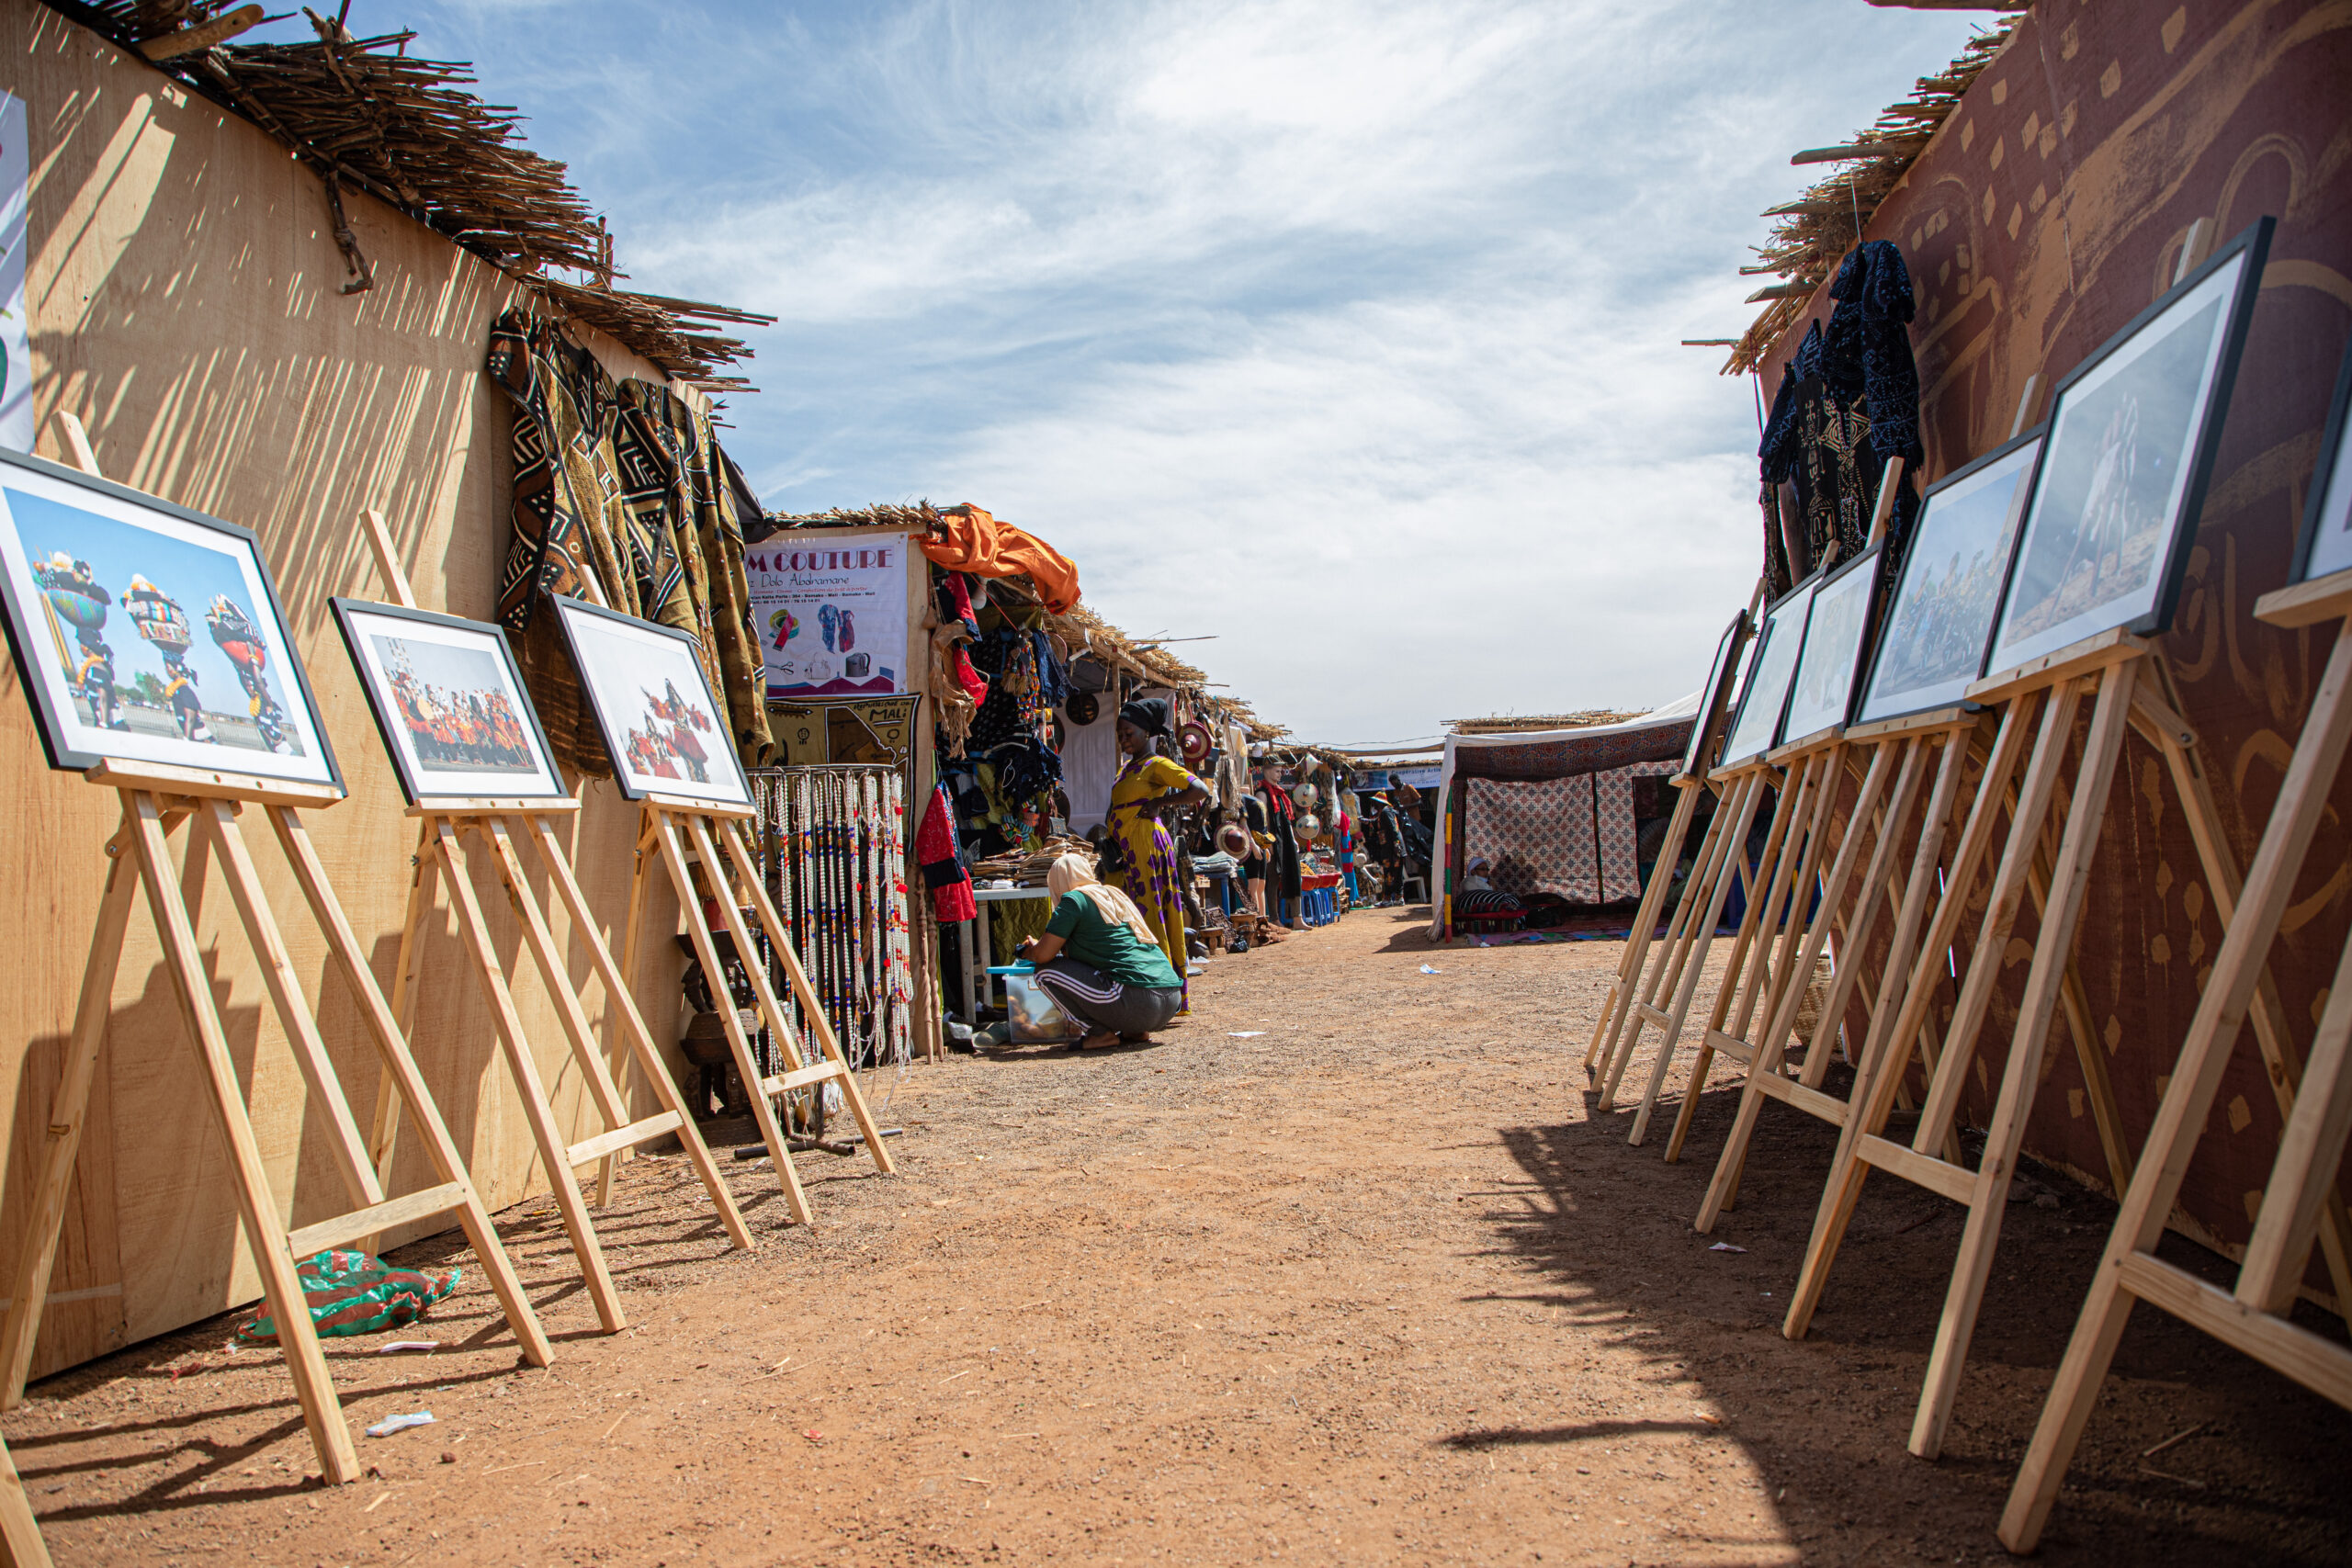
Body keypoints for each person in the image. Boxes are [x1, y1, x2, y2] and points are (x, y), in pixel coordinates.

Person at [1016, 853, 1184, 1049]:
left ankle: (1098, 1034)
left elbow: (1044, 955)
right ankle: (1134, 1030)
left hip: (1139, 1001)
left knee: (1044, 972)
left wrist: (1030, 951)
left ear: (1056, 882)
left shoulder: (1073, 900)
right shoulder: (1112, 894)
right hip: (1171, 999)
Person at [1103, 697, 1210, 1004]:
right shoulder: (1126, 769)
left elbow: (1199, 790)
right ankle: (1131, 992)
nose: (1123, 739)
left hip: (1145, 846)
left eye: (1129, 733)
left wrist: (1159, 804)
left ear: (1146, 733)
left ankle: (1160, 994)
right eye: (1120, 734)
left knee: (1149, 914)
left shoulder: (1156, 765)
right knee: (1122, 915)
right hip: (1122, 850)